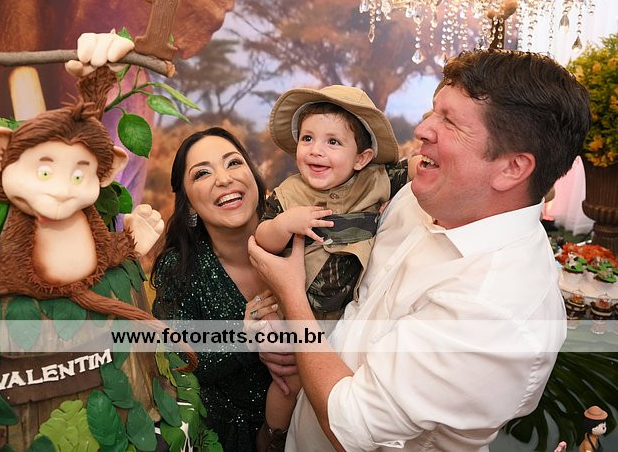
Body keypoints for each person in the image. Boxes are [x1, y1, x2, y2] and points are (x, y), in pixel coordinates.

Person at [248, 49, 591, 451]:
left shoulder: (495, 310)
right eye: (432, 111)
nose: (423, 129)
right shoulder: (420, 195)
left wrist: (293, 300)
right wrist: (289, 341)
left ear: (512, 168)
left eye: (450, 121)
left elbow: (348, 426)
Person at [252, 86, 400, 446]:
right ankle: (273, 436)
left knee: (339, 384)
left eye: (333, 142)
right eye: (308, 138)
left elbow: (417, 173)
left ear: (362, 158)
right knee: (288, 382)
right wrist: (285, 224)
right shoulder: (289, 194)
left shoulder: (378, 180)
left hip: (348, 315)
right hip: (299, 310)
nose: (316, 150)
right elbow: (262, 240)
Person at [150, 127, 283, 451]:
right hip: (225, 437)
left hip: (319, 421)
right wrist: (242, 338)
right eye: (203, 173)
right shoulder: (180, 269)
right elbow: (175, 362)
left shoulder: (300, 241)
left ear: (254, 177)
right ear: (189, 204)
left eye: (233, 163)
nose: (224, 179)